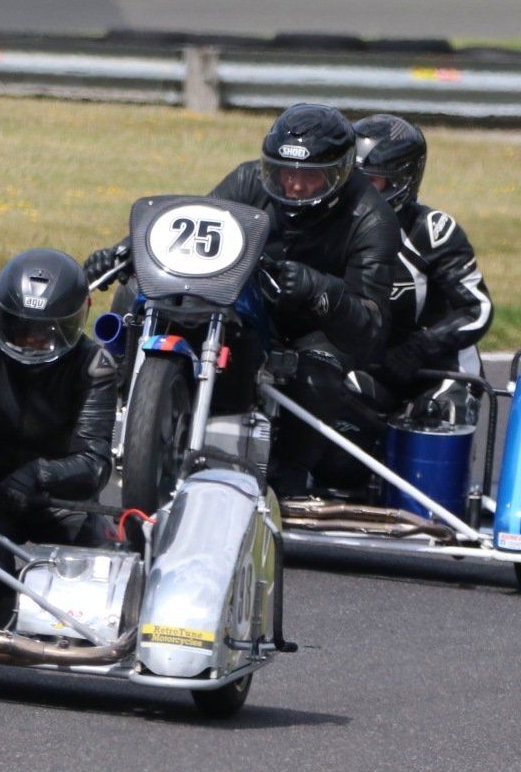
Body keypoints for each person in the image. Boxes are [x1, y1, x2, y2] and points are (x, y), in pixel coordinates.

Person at [85, 103, 413, 493]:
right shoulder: (249, 181)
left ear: (339, 174)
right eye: (285, 172)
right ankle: (112, 412)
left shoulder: (371, 219)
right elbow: (191, 229)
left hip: (315, 327)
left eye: (309, 177)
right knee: (134, 293)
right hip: (246, 299)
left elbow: (370, 328)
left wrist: (318, 289)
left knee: (315, 372)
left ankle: (288, 474)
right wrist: (127, 252)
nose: (293, 185)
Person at [0, 248, 118, 585]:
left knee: (91, 576)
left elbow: (95, 463)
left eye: (46, 332)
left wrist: (37, 475)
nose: (31, 341)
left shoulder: (94, 367)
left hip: (55, 499)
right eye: (20, 327)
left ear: (76, 319)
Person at [352, 114, 494, 421]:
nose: (359, 191)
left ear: (400, 180)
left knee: (439, 412)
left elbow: (477, 309)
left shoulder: (432, 232)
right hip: (373, 367)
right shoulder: (332, 227)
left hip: (438, 370)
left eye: (371, 180)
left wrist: (419, 348)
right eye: (353, 179)